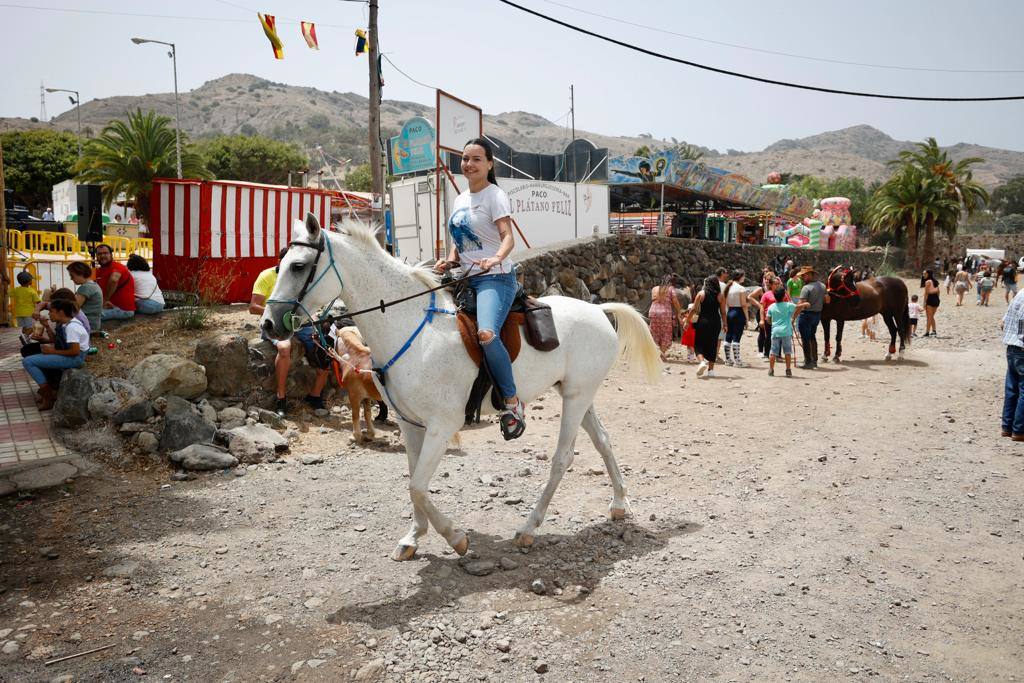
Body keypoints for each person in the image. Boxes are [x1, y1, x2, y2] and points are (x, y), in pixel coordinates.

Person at [434, 138, 525, 440]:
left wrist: (496, 258)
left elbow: (508, 237)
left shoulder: (494, 195)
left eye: (476, 159)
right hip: (464, 276)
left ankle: (511, 402)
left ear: (489, 164)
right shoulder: (461, 199)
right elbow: (460, 237)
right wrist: (448, 260)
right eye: (464, 159)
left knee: (486, 334)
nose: (469, 164)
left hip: (494, 277)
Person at [250, 248, 332, 417]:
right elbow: (252, 307)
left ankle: (314, 395)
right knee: (284, 348)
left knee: (325, 350)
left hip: (300, 324)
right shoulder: (266, 276)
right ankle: (281, 397)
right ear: (279, 260)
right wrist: (278, 312)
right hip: (275, 323)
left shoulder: (300, 277)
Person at [22, 299, 88, 410]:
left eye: (51, 311)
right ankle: (49, 392)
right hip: (72, 356)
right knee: (31, 357)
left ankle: (49, 396)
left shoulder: (72, 327)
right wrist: (47, 326)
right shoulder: (66, 323)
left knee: (28, 361)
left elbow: (75, 351)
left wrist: (52, 352)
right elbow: (56, 341)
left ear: (60, 312)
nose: (49, 314)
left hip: (76, 359)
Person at [683, 275, 725, 378]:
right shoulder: (720, 296)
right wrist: (725, 324)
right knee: (713, 344)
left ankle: (702, 362)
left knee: (699, 343)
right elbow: (723, 312)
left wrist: (687, 321)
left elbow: (693, 309)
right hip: (715, 322)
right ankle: (711, 371)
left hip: (703, 321)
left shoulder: (701, 294)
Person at [766, 285, 808, 377]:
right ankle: (788, 370)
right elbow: (797, 306)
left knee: (773, 352)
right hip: (786, 332)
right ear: (784, 296)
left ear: (774, 296)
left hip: (775, 332)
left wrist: (773, 323)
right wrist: (805, 304)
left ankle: (771, 369)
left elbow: (768, 319)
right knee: (787, 352)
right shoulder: (788, 305)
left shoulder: (771, 307)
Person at [1000, 287, 1024, 440]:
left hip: (1012, 347)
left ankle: (1007, 427)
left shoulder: (1020, 293)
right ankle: (1019, 430)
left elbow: (1002, 322)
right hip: (1022, 348)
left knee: (1012, 388)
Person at [93, 243, 136, 320]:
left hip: (123, 309)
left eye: (105, 253)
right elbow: (88, 283)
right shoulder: (97, 270)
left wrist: (104, 300)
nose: (102, 256)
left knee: (91, 317)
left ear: (111, 255)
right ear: (96, 256)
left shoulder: (117, 266)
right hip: (110, 306)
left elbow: (114, 279)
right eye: (99, 254)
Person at [647, 275, 684, 362]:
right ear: (670, 282)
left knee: (655, 333)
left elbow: (653, 299)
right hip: (665, 313)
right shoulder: (671, 289)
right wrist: (679, 311)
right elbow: (675, 301)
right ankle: (662, 354)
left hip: (653, 311)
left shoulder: (654, 288)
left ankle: (656, 353)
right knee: (665, 334)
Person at [797, 266, 826, 369]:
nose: (802, 278)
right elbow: (827, 300)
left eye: (803, 276)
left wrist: (793, 317)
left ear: (809, 275)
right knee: (812, 336)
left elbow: (801, 304)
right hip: (817, 315)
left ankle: (808, 361)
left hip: (806, 315)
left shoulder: (806, 288)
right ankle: (814, 360)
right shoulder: (822, 286)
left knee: (805, 338)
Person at [66, 261, 103, 332]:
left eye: (72, 276)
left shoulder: (85, 287)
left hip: (87, 325)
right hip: (93, 324)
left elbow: (73, 307)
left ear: (80, 273)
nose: (71, 278)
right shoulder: (93, 285)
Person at [722, 269, 749, 367]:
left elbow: (726, 303)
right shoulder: (741, 289)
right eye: (743, 276)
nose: (744, 278)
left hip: (730, 312)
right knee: (737, 337)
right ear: (740, 277)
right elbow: (744, 304)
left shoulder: (728, 287)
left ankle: (728, 359)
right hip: (738, 313)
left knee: (728, 336)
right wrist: (747, 318)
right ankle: (737, 361)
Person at [758, 276, 789, 361]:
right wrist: (761, 319)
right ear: (771, 285)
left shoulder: (783, 294)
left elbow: (787, 305)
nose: (777, 285)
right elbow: (762, 308)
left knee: (780, 336)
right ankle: (766, 355)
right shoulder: (766, 295)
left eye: (778, 283)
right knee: (768, 337)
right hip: (769, 318)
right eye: (776, 284)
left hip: (780, 319)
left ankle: (778, 355)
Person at [13, 271, 41, 344]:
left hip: (19, 313)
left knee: (25, 327)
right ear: (29, 282)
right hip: (29, 313)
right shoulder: (31, 291)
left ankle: (26, 340)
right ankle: (25, 336)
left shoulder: (16, 290)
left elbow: (10, 294)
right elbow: (38, 301)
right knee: (32, 327)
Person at [921, 270, 941, 336]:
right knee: (931, 316)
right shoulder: (935, 281)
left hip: (930, 299)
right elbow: (938, 291)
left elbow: (926, 293)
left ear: (928, 274)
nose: (923, 275)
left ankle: (927, 332)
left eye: (925, 274)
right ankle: (934, 331)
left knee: (929, 317)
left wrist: (924, 303)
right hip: (936, 299)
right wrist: (937, 299)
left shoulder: (928, 282)